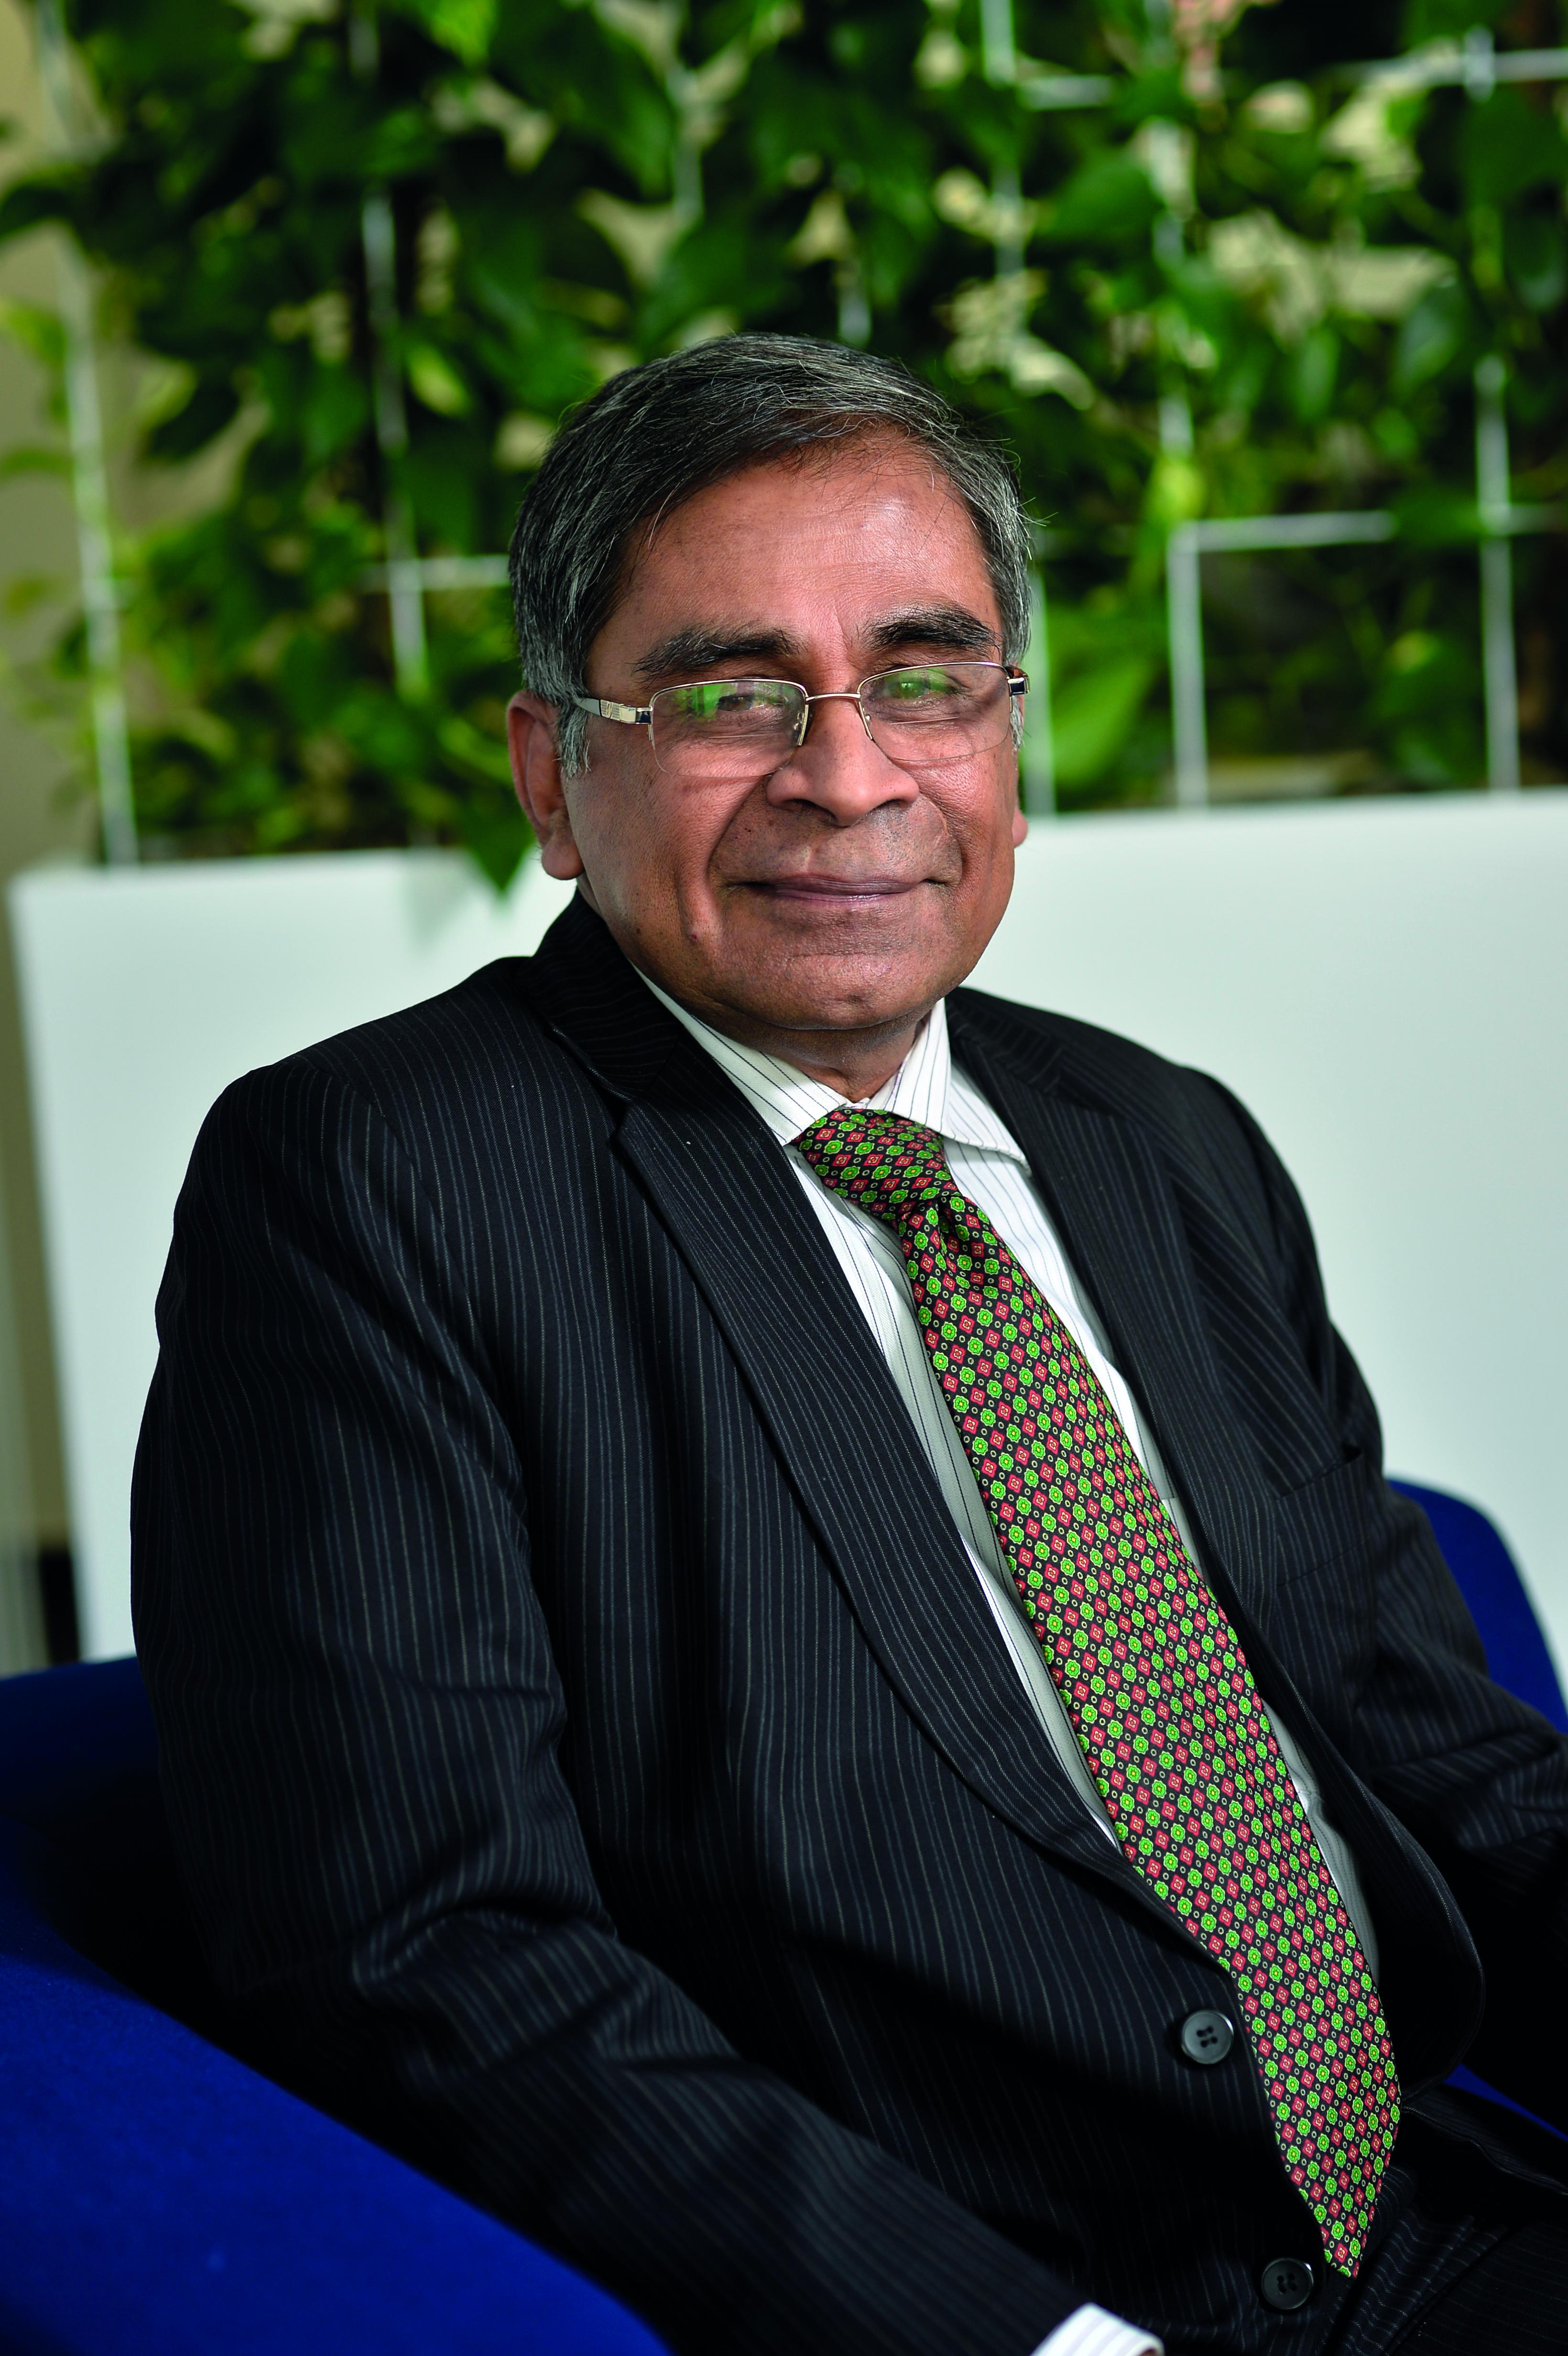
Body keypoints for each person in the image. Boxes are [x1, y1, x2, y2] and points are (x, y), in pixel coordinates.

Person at [133, 336, 1568, 2356]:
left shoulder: (1159, 1138)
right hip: (990, 2294)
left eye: (925, 677)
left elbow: (1433, 1745)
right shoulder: (375, 1180)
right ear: (552, 774)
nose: (849, 771)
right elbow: (427, 1949)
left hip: (1427, 2229)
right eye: (730, 694)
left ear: (1006, 736)